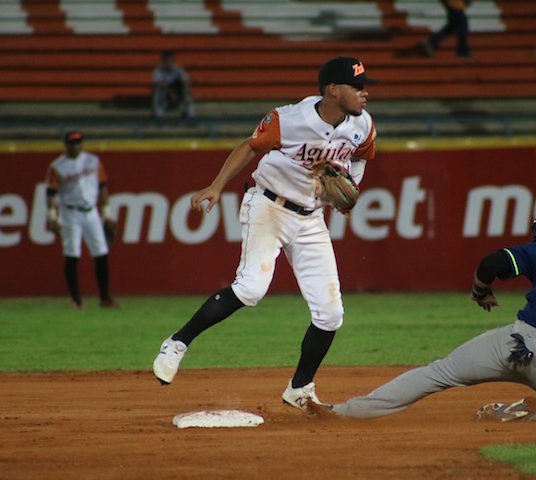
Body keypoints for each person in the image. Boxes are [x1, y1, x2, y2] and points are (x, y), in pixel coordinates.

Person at [152, 56, 379, 411]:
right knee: (251, 289)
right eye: (358, 86)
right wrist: (215, 186)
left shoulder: (362, 125)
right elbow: (249, 147)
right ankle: (177, 342)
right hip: (269, 206)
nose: (365, 93)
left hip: (310, 218)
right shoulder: (289, 119)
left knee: (331, 313)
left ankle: (299, 388)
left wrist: (351, 185)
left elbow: (363, 156)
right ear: (334, 90)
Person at [328, 207, 536, 422]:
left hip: (519, 346)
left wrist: (480, 291)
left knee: (438, 372)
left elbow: (492, 263)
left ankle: (347, 412)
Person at [45, 131, 120, 309]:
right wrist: (52, 216)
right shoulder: (57, 166)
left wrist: (107, 213)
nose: (75, 146)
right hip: (69, 212)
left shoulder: (93, 161)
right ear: (66, 145)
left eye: (78, 142)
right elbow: (50, 193)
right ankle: (76, 299)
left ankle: (104, 298)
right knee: (72, 254)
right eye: (72, 143)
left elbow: (102, 187)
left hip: (91, 210)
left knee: (101, 252)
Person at [152, 50, 196, 119]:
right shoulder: (158, 70)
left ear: (173, 61)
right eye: (166, 61)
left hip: (177, 92)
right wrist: (169, 91)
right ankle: (158, 113)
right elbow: (156, 83)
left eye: (170, 61)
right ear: (163, 61)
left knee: (187, 89)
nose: (168, 63)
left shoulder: (179, 70)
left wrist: (185, 90)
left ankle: (190, 113)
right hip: (165, 93)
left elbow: (185, 82)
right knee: (157, 90)